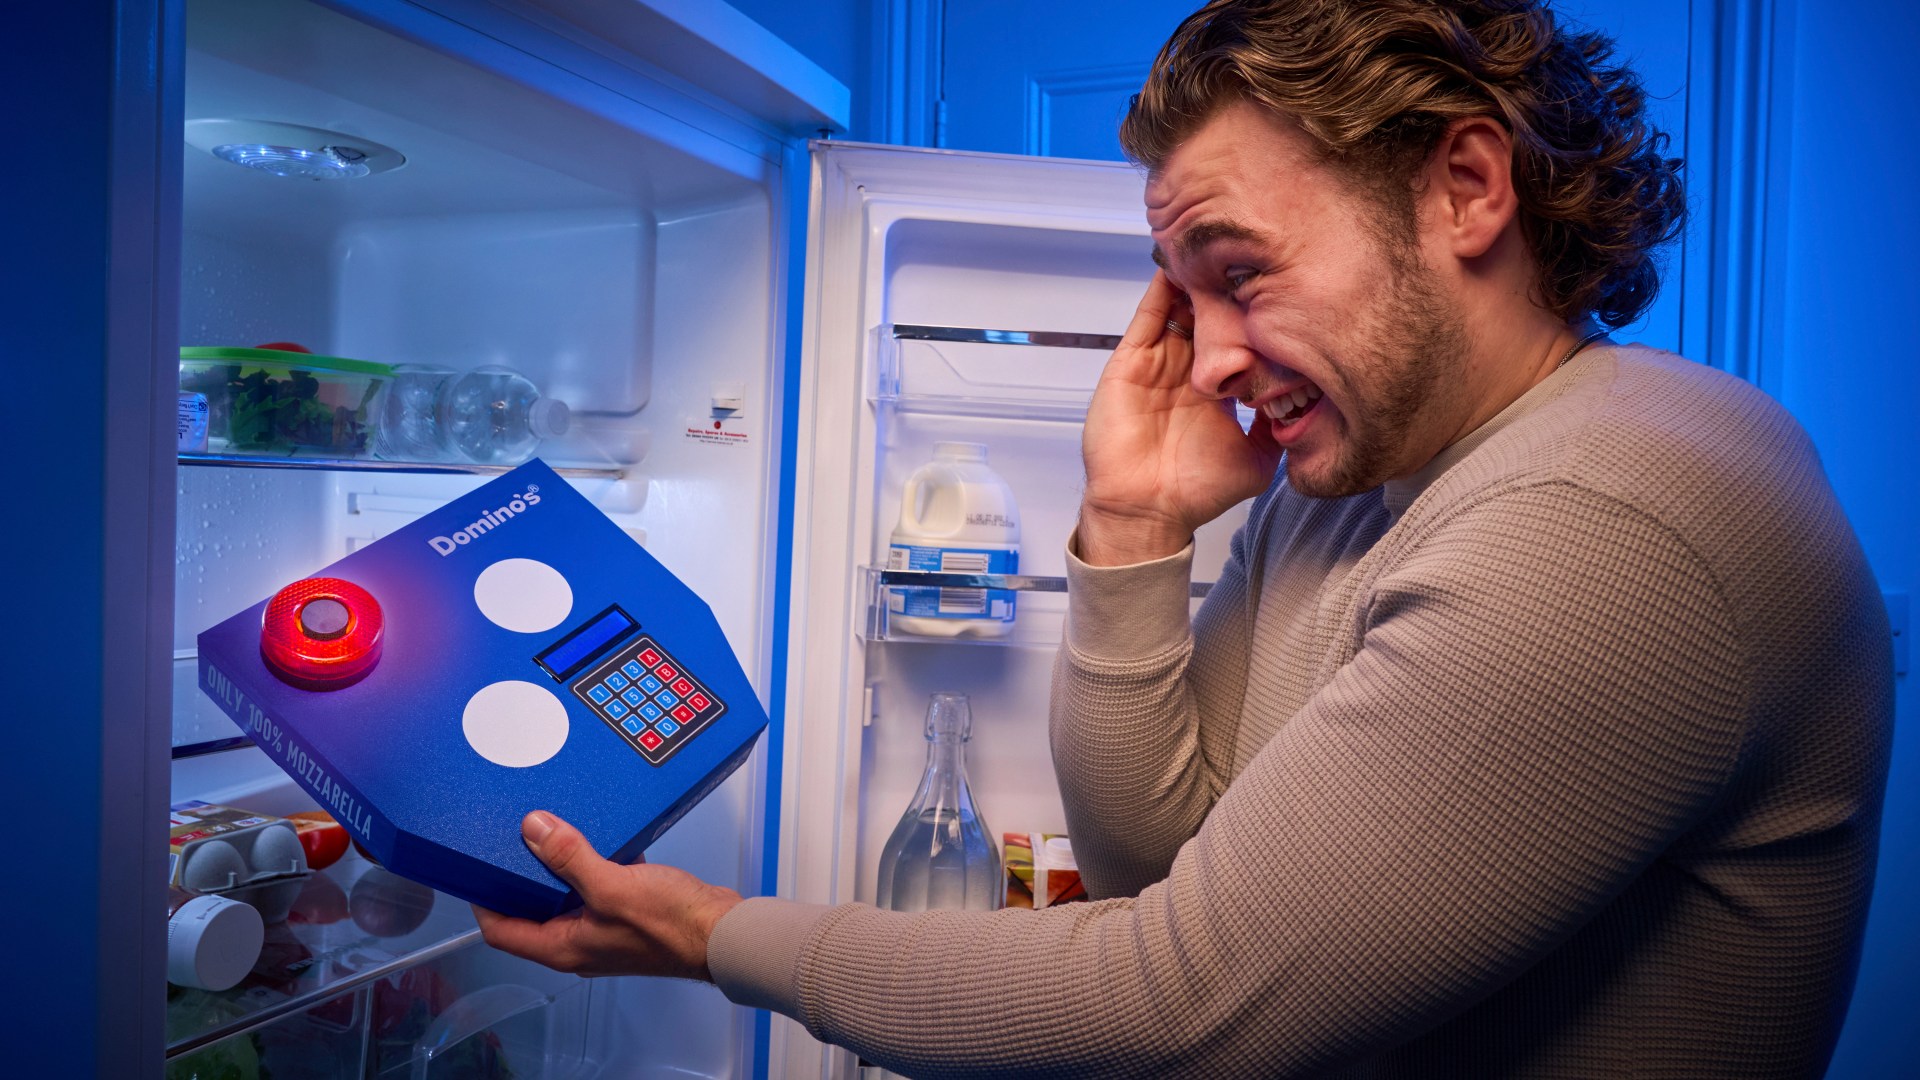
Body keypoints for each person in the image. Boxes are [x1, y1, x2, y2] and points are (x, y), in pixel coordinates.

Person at [476, 0, 1894, 1075]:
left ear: (1466, 190)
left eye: (1241, 274)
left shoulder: (1609, 520)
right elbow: (1155, 851)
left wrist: (718, 935)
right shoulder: (1353, 483)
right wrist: (1135, 523)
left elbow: (1186, 1003)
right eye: (1182, 297)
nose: (1210, 358)